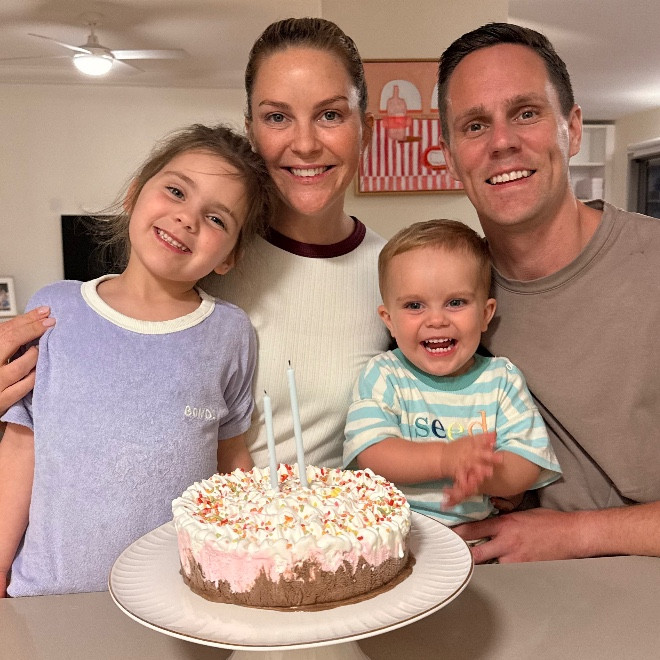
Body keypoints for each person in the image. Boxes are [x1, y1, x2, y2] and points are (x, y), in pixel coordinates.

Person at [0, 122, 274, 597]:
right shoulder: (53, 310)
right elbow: (22, 448)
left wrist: (256, 555)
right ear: (134, 194)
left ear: (230, 256)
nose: (187, 218)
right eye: (176, 191)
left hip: (179, 598)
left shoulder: (230, 333)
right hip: (51, 595)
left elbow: (231, 458)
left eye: (216, 219)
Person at [437, 23, 660, 561]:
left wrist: (573, 534)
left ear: (573, 129)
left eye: (526, 113)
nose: (502, 142)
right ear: (449, 156)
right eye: (475, 125)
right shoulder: (445, 299)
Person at [199, 18, 390, 470]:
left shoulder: (394, 273)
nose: (305, 144)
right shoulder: (206, 257)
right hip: (194, 512)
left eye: (330, 115)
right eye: (277, 117)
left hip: (330, 514)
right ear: (251, 132)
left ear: (365, 130)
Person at [344, 219, 560, 524]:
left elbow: (527, 462)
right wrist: (445, 459)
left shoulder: (501, 380)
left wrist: (483, 476)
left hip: (474, 539)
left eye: (455, 302)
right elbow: (372, 453)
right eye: (415, 305)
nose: (436, 320)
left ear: (485, 314)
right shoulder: (383, 375)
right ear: (389, 320)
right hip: (393, 534)